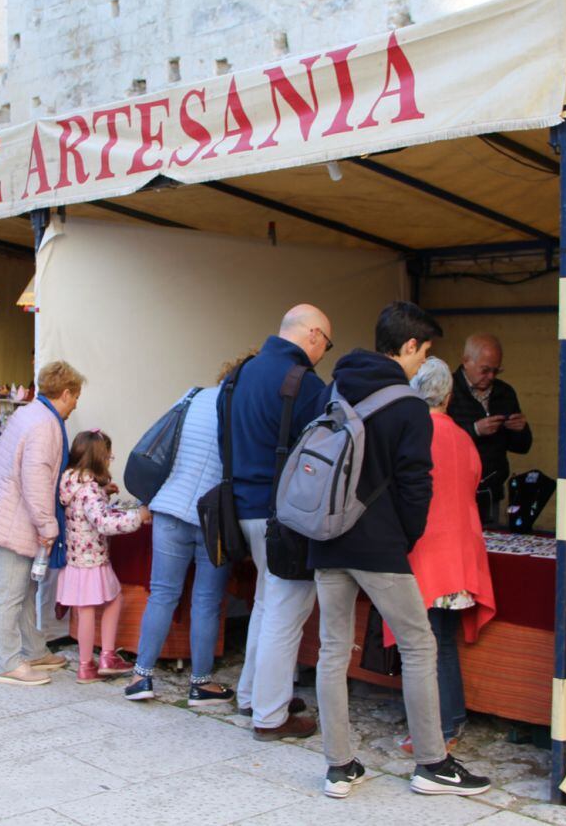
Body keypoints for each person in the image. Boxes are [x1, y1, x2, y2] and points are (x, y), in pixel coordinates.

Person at [310, 301, 490, 798]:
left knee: (332, 650)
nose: (423, 359)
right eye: (424, 350)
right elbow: (416, 486)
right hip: (381, 544)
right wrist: (406, 538)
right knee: (419, 645)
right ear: (409, 347)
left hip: (326, 536)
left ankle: (338, 766)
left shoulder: (336, 384)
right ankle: (433, 763)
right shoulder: (408, 405)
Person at [230, 304, 330, 740]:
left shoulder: (243, 372)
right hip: (283, 515)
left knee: (268, 603)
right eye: (326, 343)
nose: (323, 353)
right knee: (286, 613)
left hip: (241, 505)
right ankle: (270, 715)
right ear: (312, 335)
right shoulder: (304, 383)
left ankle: (253, 693)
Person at [125, 365, 235, 706]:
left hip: (170, 506)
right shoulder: (243, 411)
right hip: (213, 516)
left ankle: (141, 676)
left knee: (162, 594)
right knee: (206, 602)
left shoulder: (193, 396)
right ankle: (200, 684)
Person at [404, 357, 496, 754]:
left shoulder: (415, 434)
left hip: (425, 552)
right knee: (443, 640)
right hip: (458, 553)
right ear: (449, 394)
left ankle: (437, 729)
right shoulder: (462, 436)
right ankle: (451, 719)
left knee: (426, 644)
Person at [0, 360, 84, 687]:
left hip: (9, 514)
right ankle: (8, 661)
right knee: (10, 592)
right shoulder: (44, 425)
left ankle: (34, 650)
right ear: (66, 393)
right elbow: (35, 480)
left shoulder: (31, 413)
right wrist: (48, 525)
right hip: (15, 519)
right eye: (76, 397)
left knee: (22, 588)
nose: (77, 404)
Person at [56, 429, 148, 683]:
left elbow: (82, 509)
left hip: (75, 557)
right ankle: (103, 657)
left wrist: (104, 491)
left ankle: (88, 664)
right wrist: (137, 517)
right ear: (98, 459)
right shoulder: (90, 491)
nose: (109, 460)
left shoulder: (70, 482)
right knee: (114, 600)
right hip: (93, 558)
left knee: (84, 610)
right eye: (108, 457)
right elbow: (104, 522)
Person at [447, 334, 532, 524]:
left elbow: (523, 447)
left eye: (496, 371)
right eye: (485, 370)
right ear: (466, 361)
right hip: (455, 489)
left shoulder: (505, 392)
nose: (491, 377)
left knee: (490, 546)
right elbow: (438, 439)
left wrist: (520, 429)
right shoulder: (447, 389)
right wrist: (475, 430)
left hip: (492, 488)